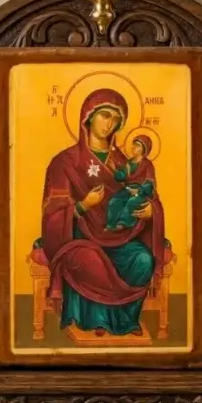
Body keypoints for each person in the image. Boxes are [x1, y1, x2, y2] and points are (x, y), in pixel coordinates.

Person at [40, 89, 166, 337]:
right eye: (104, 115)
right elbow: (53, 216)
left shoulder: (125, 163)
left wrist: (151, 210)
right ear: (88, 117)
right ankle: (95, 321)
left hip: (122, 237)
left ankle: (125, 322)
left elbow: (149, 195)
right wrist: (83, 205)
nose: (109, 124)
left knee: (143, 260)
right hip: (79, 238)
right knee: (90, 260)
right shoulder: (64, 163)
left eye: (115, 120)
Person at [106, 134, 157, 229]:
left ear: (144, 149)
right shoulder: (129, 163)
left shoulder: (147, 164)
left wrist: (139, 191)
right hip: (128, 189)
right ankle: (111, 225)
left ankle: (123, 224)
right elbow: (122, 177)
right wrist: (114, 169)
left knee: (132, 201)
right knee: (114, 201)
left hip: (141, 192)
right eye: (133, 144)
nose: (133, 147)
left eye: (137, 145)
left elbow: (150, 183)